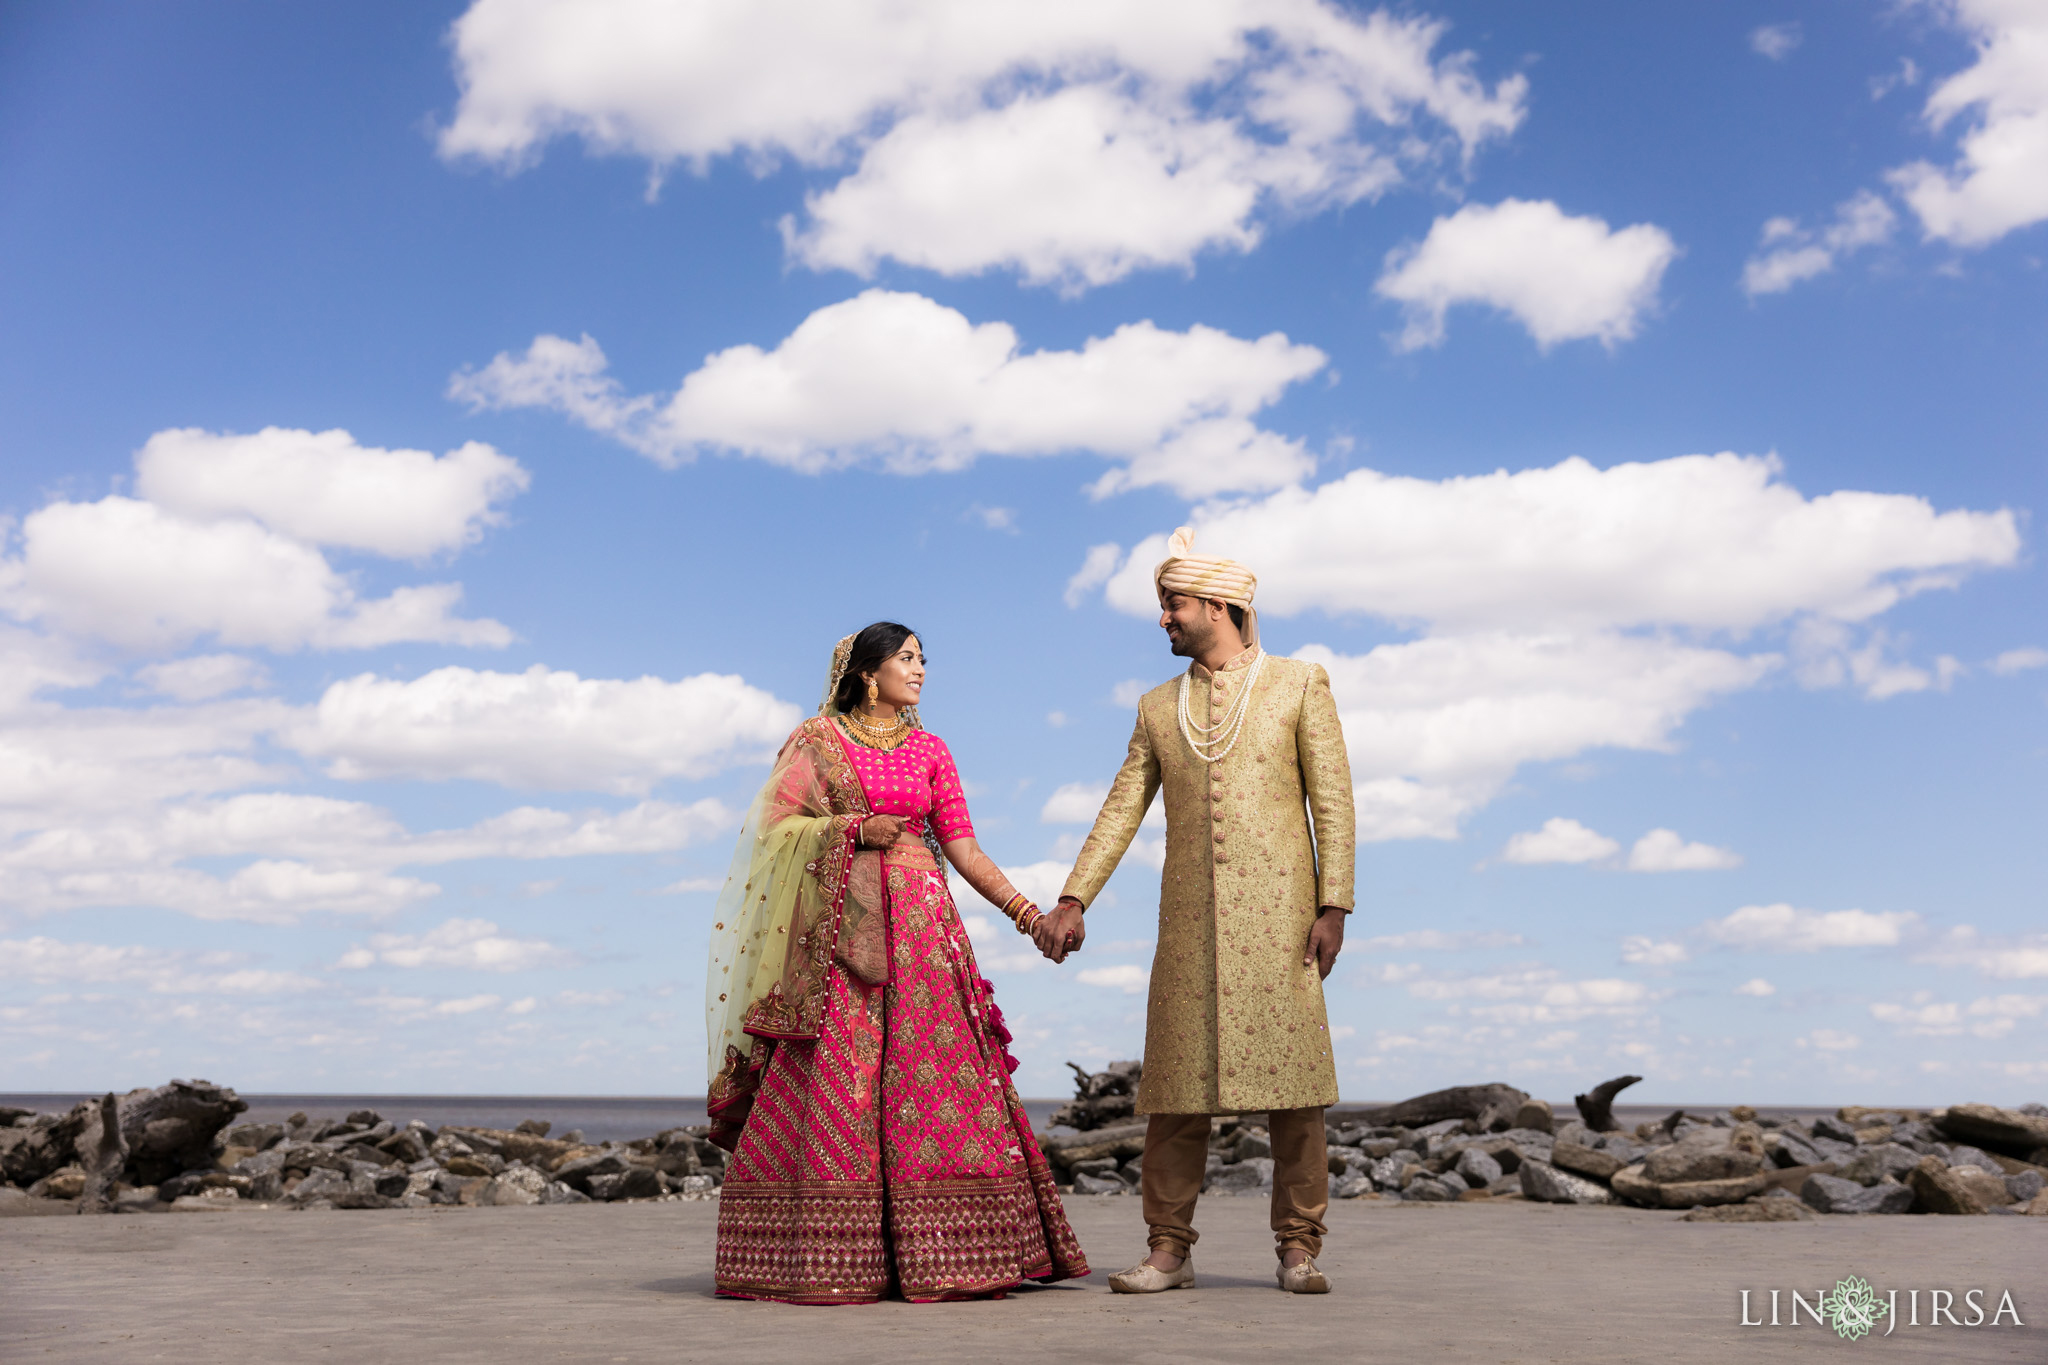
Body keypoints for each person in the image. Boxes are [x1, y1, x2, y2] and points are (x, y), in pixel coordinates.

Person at [706, 622, 1089, 1304]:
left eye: (922, 660)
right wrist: (852, 829)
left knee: (934, 1078)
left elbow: (966, 852)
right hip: (840, 941)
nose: (918, 670)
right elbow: (773, 829)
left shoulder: (932, 749)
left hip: (923, 934)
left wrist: (1032, 917)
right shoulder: (817, 741)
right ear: (865, 671)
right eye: (905, 658)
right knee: (838, 1077)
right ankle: (831, 1255)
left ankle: (952, 1249)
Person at [1034, 528, 1355, 1295]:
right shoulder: (1156, 706)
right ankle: (1168, 1250)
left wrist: (1334, 902)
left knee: (1297, 1093)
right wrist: (1074, 896)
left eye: (1172, 604)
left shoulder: (1299, 682)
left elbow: (1332, 800)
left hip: (1283, 921)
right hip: (1186, 926)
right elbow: (1121, 809)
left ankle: (1299, 1248)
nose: (1163, 619)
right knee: (1174, 1093)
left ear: (1218, 604)